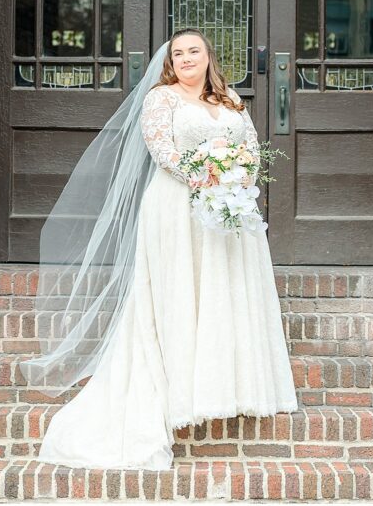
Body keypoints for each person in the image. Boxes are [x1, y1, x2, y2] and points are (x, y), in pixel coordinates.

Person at [21, 28, 298, 470]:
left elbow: (249, 150)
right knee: (181, 291)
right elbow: (162, 150)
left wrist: (237, 177)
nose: (187, 58)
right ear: (170, 61)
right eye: (179, 53)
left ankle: (229, 387)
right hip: (175, 206)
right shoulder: (161, 98)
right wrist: (204, 175)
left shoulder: (230, 101)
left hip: (230, 208)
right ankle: (183, 393)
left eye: (195, 51)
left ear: (209, 58)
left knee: (226, 290)